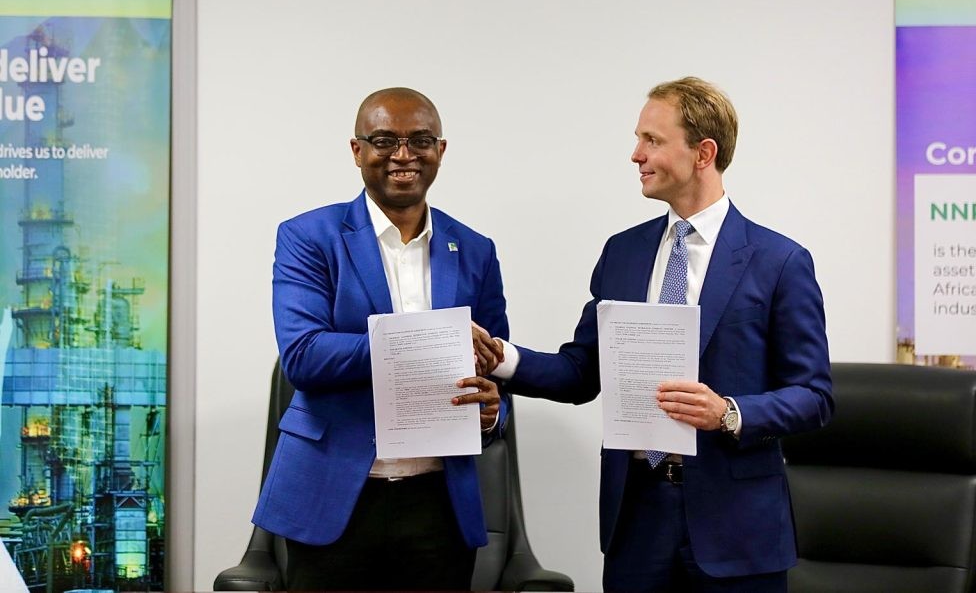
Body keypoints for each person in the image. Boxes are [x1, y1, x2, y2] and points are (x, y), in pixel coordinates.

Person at [482, 77, 833, 592]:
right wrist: (500, 358)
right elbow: (581, 373)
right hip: (636, 517)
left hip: (737, 529)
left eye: (652, 140)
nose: (635, 154)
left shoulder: (779, 262)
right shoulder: (622, 253)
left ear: (702, 153)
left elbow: (814, 396)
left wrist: (729, 413)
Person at [253, 87, 510, 590]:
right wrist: (422, 344)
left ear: (441, 149)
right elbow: (303, 356)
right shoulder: (309, 236)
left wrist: (492, 412)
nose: (403, 155)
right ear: (357, 151)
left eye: (420, 140)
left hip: (439, 504)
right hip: (335, 498)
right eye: (384, 140)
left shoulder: (475, 249)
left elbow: (493, 366)